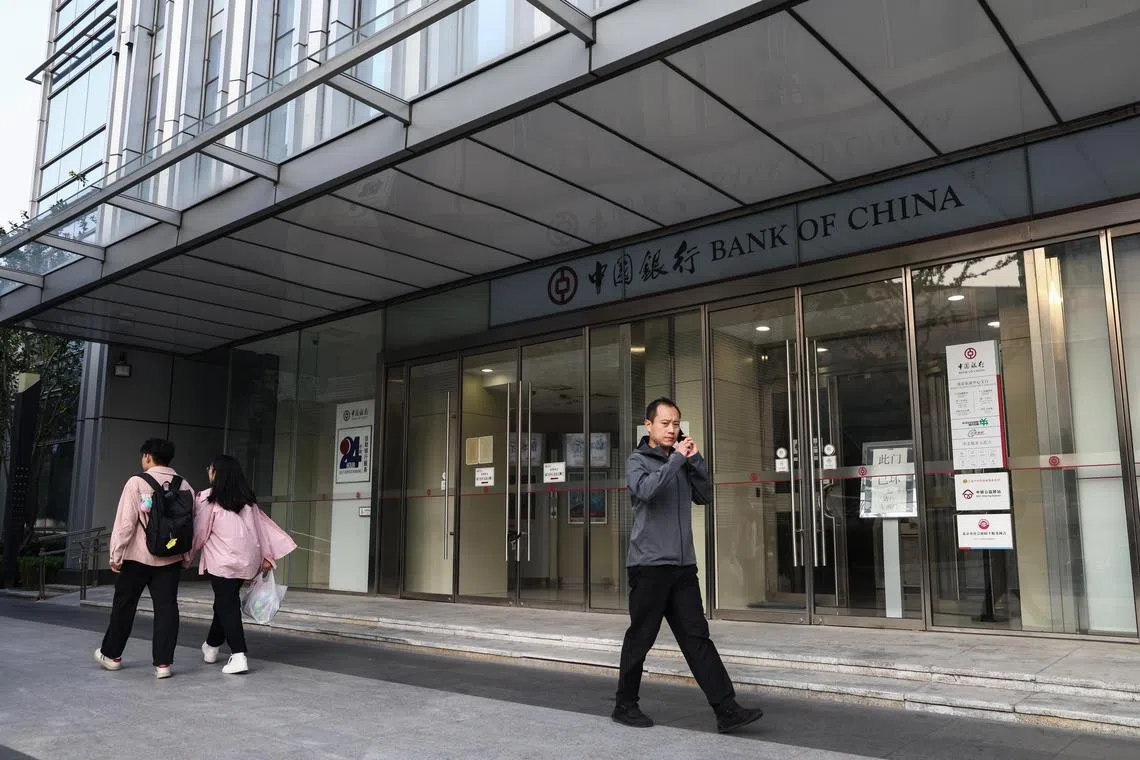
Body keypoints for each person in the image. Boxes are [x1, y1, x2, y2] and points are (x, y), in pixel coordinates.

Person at [612, 398, 764, 734]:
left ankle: (726, 710)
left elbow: (705, 496)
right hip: (649, 565)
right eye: (664, 423)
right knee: (641, 637)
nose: (671, 429)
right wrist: (677, 459)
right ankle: (625, 705)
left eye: (676, 423)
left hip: (682, 567)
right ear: (648, 425)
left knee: (698, 638)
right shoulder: (637, 461)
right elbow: (646, 492)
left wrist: (695, 460)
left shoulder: (681, 460)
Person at [187, 454, 296, 675]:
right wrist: (267, 557)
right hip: (246, 563)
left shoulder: (209, 499)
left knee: (227, 605)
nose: (208, 471)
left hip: (222, 563)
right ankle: (211, 646)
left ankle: (238, 655)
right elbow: (262, 530)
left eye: (210, 468)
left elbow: (199, 533)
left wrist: (185, 556)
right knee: (224, 604)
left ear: (217, 473)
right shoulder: (248, 502)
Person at [95, 438, 193, 679]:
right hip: (170, 559)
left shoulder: (137, 482)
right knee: (167, 609)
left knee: (124, 607)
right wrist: (187, 557)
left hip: (137, 558)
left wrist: (116, 554)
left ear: (148, 456)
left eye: (143, 456)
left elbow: (126, 523)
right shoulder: (185, 486)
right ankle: (163, 664)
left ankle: (112, 655)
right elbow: (191, 527)